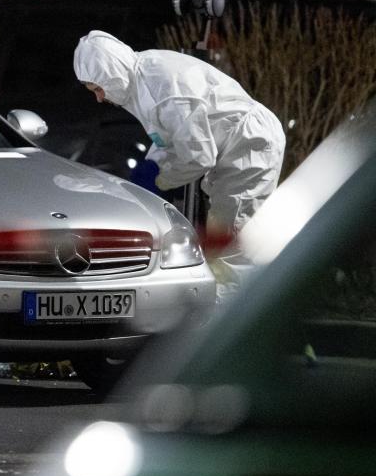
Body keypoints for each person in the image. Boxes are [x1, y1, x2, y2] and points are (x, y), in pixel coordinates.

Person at [73, 30, 285, 296]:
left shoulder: (163, 88)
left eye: (98, 88)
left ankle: (230, 327)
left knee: (232, 244)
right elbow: (170, 137)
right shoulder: (141, 80)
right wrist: (149, 170)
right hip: (235, 147)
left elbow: (197, 155)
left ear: (110, 73)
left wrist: (159, 180)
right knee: (223, 239)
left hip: (250, 147)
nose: (99, 98)